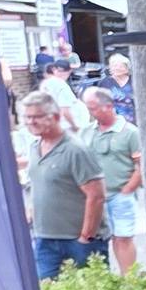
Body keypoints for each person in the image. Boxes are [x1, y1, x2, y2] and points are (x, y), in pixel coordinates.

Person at [17, 90, 107, 279]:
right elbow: (41, 184)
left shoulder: (75, 150)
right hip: (45, 240)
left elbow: (96, 196)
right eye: (27, 117)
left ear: (56, 117)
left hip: (78, 241)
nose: (31, 122)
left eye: (38, 117)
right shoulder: (35, 147)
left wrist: (86, 237)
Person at [80, 86, 143, 272]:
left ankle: (130, 281)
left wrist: (128, 189)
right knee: (94, 239)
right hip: (93, 198)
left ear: (108, 106)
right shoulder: (86, 131)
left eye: (92, 108)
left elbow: (141, 165)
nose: (89, 112)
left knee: (122, 238)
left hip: (120, 195)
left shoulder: (130, 132)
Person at [37, 59, 83, 131]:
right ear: (69, 71)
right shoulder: (62, 85)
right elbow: (65, 109)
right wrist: (74, 126)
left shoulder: (45, 84)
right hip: (64, 125)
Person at [93, 51, 135, 122]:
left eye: (120, 66)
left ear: (127, 69)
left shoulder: (134, 81)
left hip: (133, 119)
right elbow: (100, 102)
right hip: (112, 119)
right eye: (114, 66)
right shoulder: (104, 82)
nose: (116, 68)